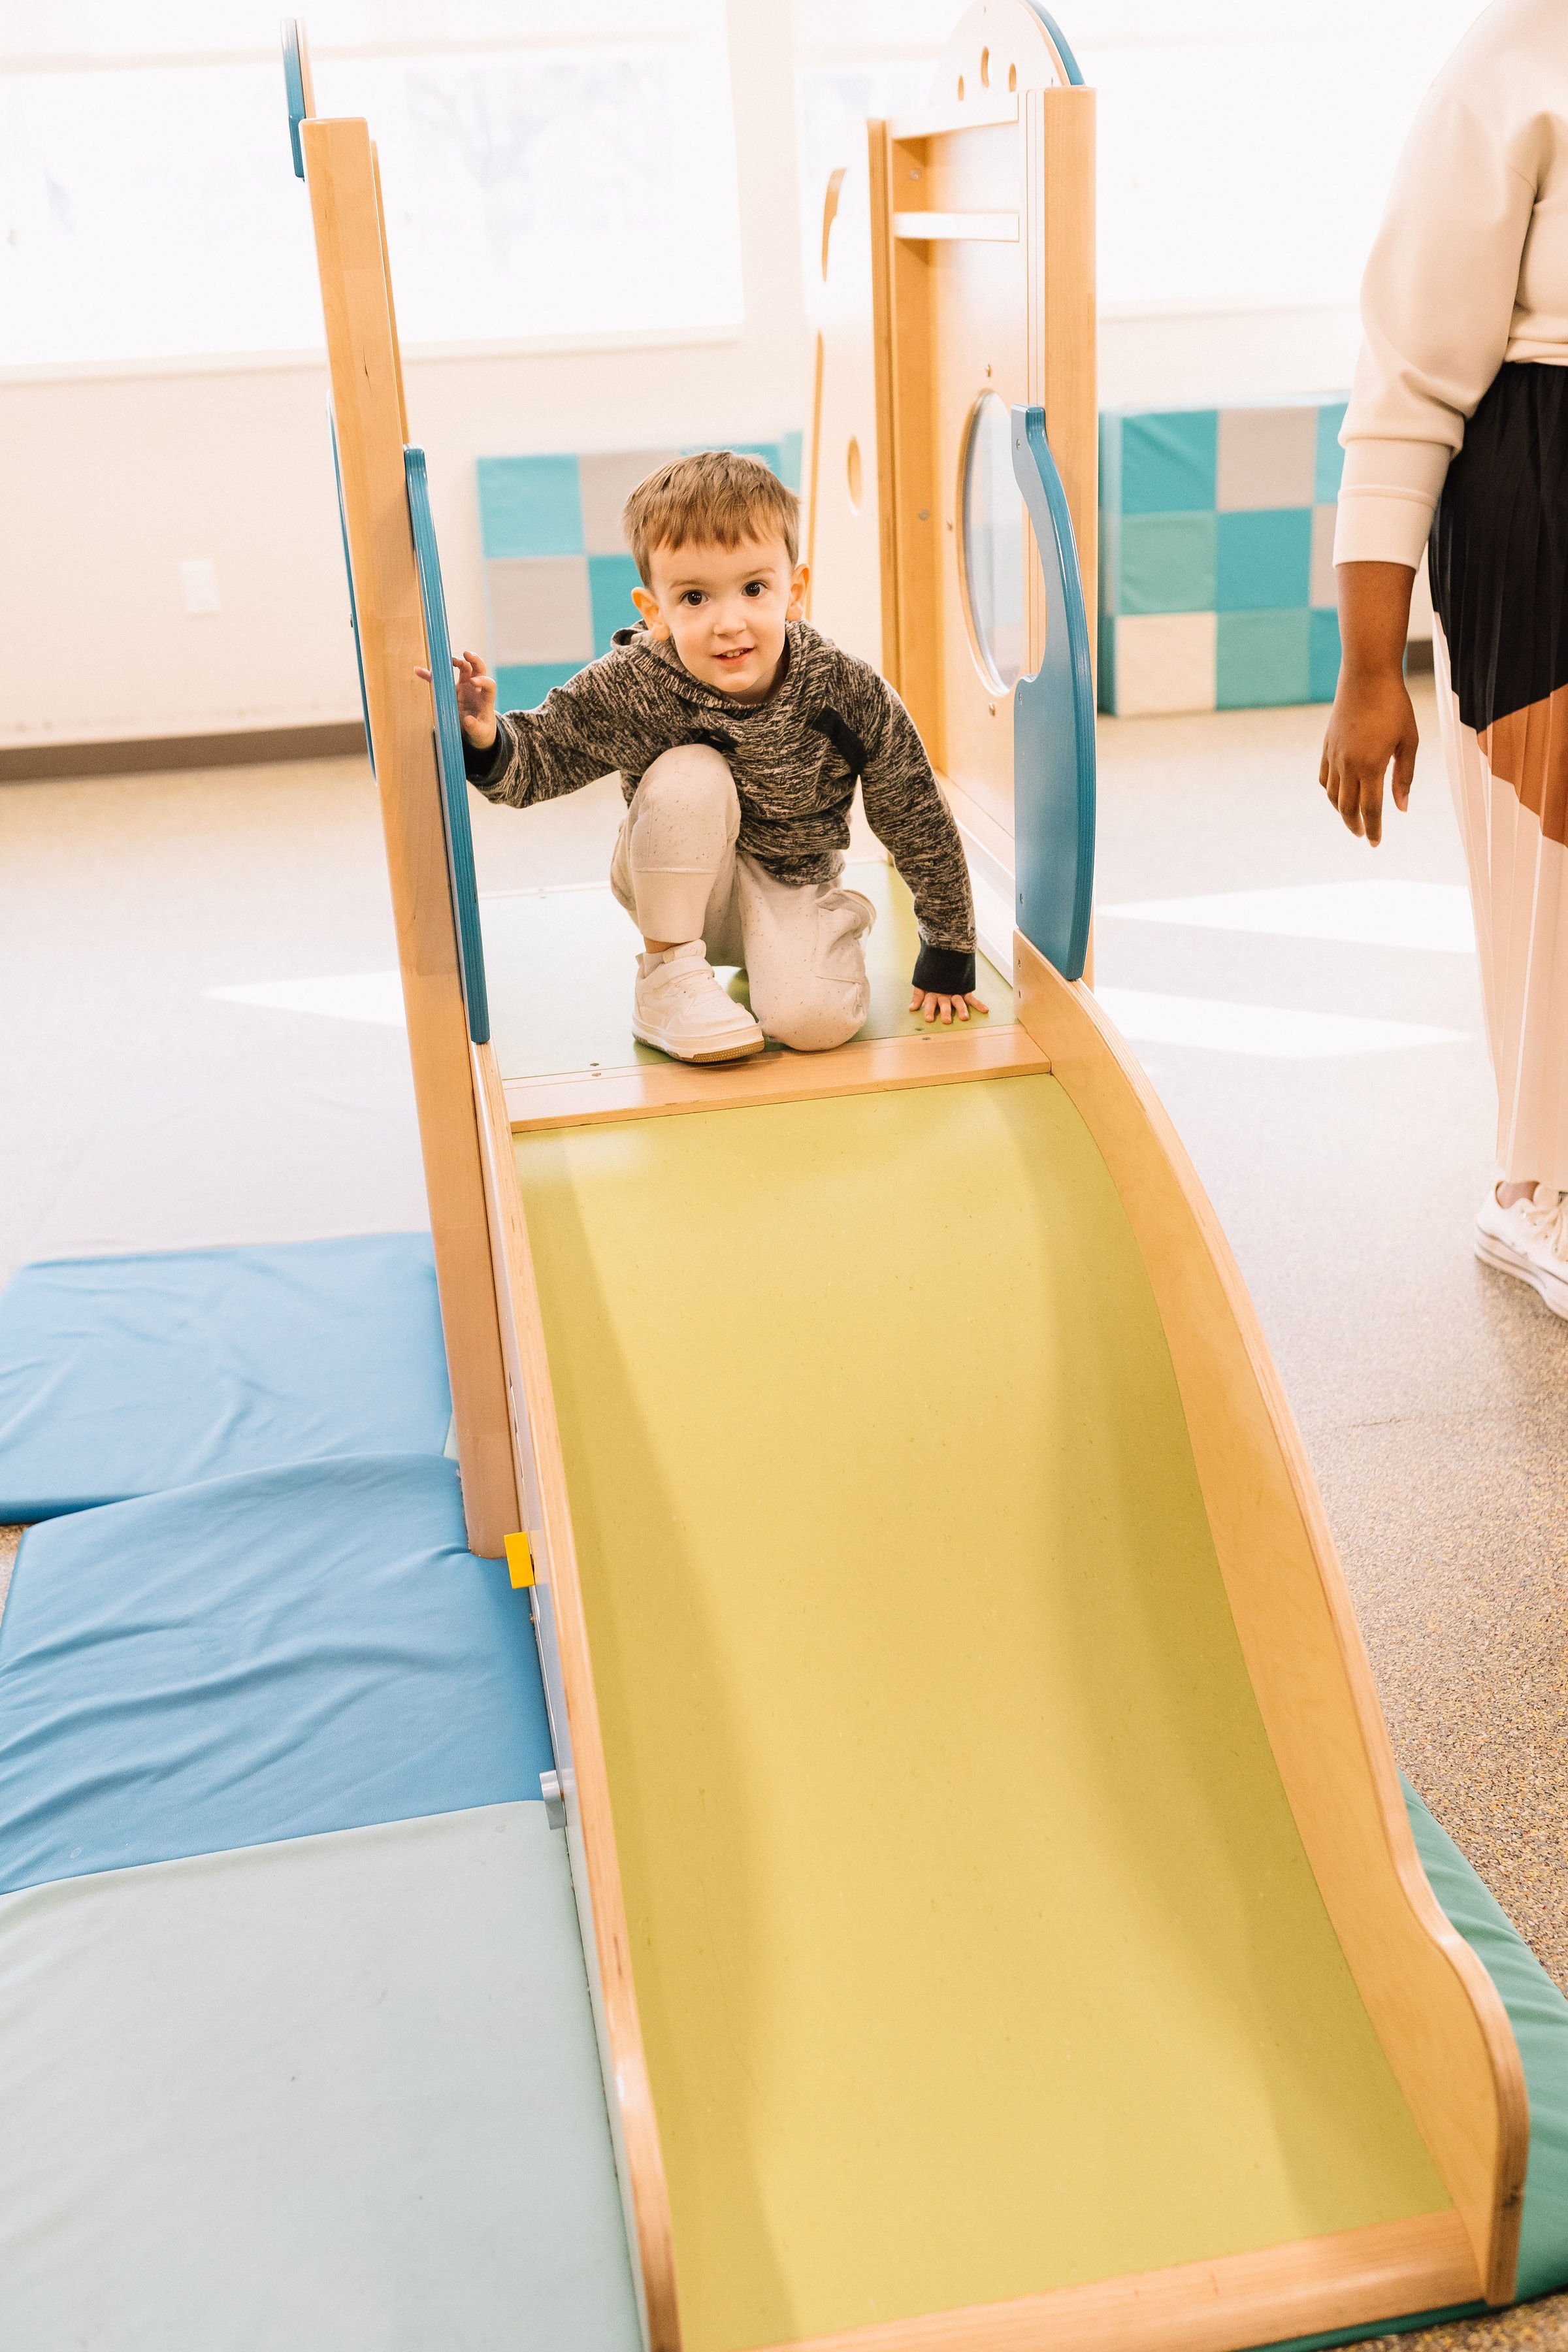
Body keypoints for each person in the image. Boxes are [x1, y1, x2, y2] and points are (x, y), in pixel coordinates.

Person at [436, 449, 985, 1065]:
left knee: (815, 1024)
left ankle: (800, 949)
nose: (730, 623)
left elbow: (912, 811)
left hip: (791, 886)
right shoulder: (638, 681)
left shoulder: (841, 688)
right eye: (695, 597)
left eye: (754, 589)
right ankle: (668, 979)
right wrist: (484, 736)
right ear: (655, 612)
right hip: (674, 883)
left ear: (794, 591)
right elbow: (546, 751)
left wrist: (949, 942)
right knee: (692, 769)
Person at [1319, 0, 1568, 1318]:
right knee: (1559, 858)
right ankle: (1542, 1184)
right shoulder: (1520, 55)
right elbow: (1409, 383)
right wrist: (1373, 671)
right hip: (1544, 475)